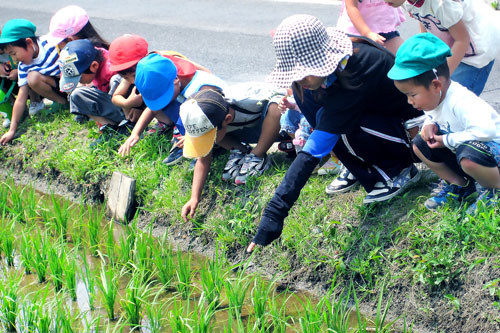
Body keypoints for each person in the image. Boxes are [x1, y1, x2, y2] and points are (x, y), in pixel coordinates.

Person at [247, 14, 423, 252]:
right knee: (314, 104)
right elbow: (319, 127)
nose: (301, 78)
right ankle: (360, 167)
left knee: (339, 124)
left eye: (307, 70)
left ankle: (399, 170)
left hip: (405, 131)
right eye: (296, 72)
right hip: (368, 118)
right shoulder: (307, 83)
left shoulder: (360, 66)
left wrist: (274, 213)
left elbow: (315, 147)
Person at [388, 33, 500, 213]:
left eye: (412, 95)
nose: (409, 101)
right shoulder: (434, 99)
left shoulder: (461, 101)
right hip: (467, 150)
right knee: (419, 144)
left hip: (492, 150)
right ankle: (461, 185)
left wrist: (446, 141)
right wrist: (428, 125)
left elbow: (485, 131)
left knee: (469, 156)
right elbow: (434, 116)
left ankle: (494, 191)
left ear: (435, 85)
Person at [179, 87, 286, 221]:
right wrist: (194, 198)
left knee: (275, 108)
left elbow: (283, 101)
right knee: (216, 136)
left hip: (277, 125)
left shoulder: (250, 102)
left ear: (227, 119)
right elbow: (203, 159)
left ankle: (257, 155)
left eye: (208, 138)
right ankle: (241, 150)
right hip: (247, 130)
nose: (207, 143)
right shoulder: (209, 117)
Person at [109, 34, 211, 163]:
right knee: (158, 98)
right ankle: (174, 126)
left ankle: (186, 136)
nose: (133, 82)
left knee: (172, 99)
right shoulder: (139, 73)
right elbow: (149, 107)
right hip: (175, 100)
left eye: (134, 75)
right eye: (128, 78)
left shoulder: (167, 63)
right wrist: (134, 130)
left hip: (194, 99)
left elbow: (206, 72)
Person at [384, 0, 500, 96]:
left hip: (477, 50)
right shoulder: (406, 1)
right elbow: (422, 17)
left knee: (454, 98)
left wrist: (442, 77)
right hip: (453, 44)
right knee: (439, 94)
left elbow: (462, 40)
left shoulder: (442, 3)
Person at [0, 19, 67, 145]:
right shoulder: (23, 66)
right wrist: (12, 130)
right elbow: (21, 98)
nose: (14, 60)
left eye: (14, 53)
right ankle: (62, 103)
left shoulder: (50, 43)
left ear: (29, 42)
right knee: (33, 78)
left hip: (72, 82)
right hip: (57, 88)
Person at [58, 39, 127, 146]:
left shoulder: (111, 70)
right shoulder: (92, 55)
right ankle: (110, 127)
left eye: (79, 78)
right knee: (76, 95)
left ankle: (127, 126)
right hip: (112, 106)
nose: (79, 82)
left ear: (94, 66)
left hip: (127, 109)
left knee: (115, 81)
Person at [337, 0, 405, 54]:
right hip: (356, 34)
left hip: (386, 30)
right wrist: (367, 33)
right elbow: (351, 7)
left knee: (403, 59)